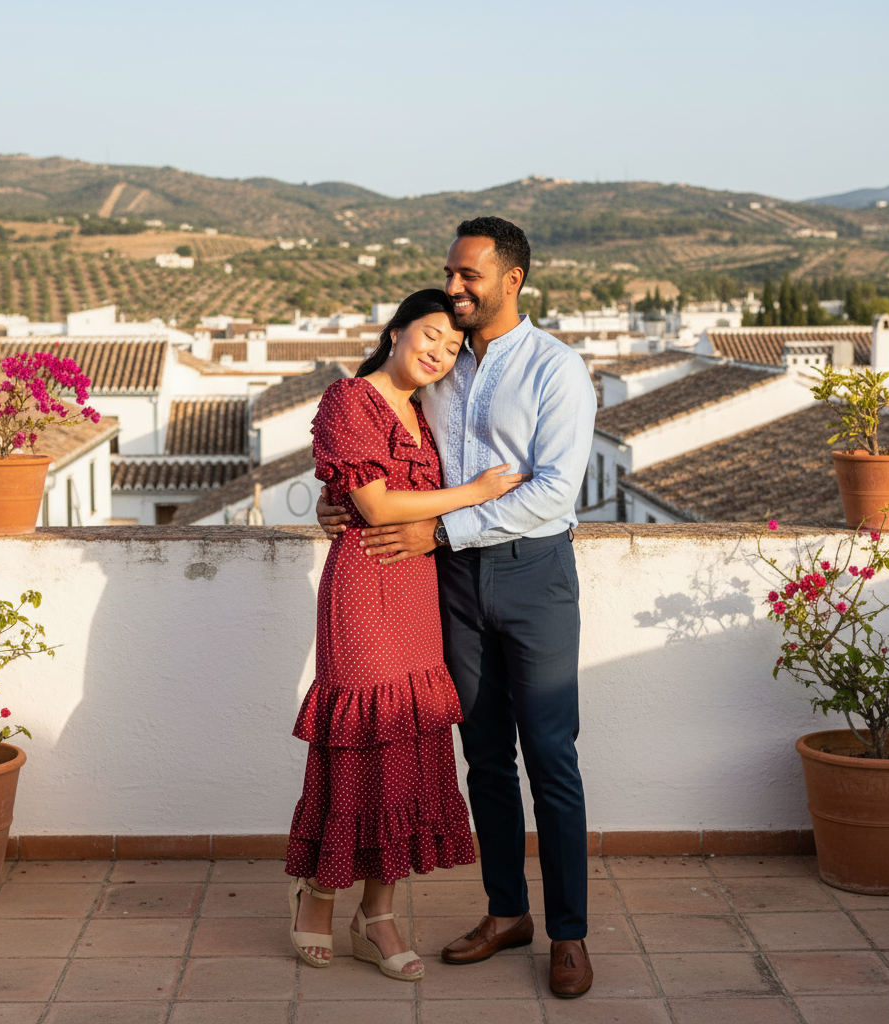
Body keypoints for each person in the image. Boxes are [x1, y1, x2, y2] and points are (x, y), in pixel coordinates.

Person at [316, 217, 598, 998]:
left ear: (513, 280)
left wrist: (441, 528)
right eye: (449, 272)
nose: (455, 286)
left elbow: (553, 491)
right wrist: (334, 503)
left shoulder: (556, 369)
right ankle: (506, 913)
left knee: (551, 758)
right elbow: (386, 456)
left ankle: (569, 933)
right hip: (451, 587)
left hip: (533, 576)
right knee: (484, 759)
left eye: (470, 274)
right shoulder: (437, 362)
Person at [287, 288, 528, 983]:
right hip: (364, 585)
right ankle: (320, 895)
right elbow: (377, 504)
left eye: (452, 347)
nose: (439, 352)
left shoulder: (422, 414)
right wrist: (478, 491)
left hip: (419, 589)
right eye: (428, 335)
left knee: (412, 742)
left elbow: (376, 502)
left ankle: (378, 913)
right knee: (361, 739)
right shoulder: (349, 399)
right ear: (395, 331)